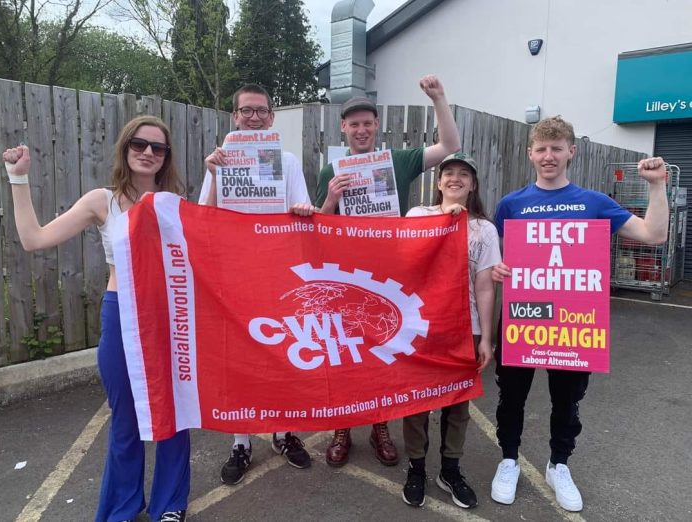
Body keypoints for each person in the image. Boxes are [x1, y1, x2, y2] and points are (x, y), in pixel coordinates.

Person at [2, 115, 191, 522]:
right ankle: (121, 508)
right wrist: (17, 179)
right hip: (121, 313)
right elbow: (34, 240)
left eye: (157, 148)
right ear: (125, 148)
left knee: (175, 413)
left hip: (168, 317)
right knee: (126, 417)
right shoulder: (101, 201)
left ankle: (171, 505)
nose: (147, 153)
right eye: (139, 144)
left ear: (166, 157)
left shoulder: (175, 205)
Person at [489, 116, 669, 512]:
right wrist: (497, 268)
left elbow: (654, 235)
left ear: (572, 151)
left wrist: (657, 187)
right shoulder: (511, 205)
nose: (548, 156)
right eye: (541, 148)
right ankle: (508, 459)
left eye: (557, 148)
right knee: (511, 397)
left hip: (573, 325)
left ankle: (559, 464)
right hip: (524, 317)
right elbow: (492, 258)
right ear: (529, 153)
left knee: (566, 401)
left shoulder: (595, 202)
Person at [315, 74, 462, 467]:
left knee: (381, 353)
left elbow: (450, 146)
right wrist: (330, 197)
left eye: (367, 123)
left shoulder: (397, 161)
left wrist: (439, 98)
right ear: (343, 128)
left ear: (376, 126)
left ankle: (380, 426)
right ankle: (342, 427)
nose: (361, 129)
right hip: (345, 278)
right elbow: (316, 229)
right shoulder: (332, 171)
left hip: (389, 279)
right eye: (354, 124)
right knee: (346, 357)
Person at [198, 83, 315, 486]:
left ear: (271, 117)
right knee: (239, 360)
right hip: (233, 278)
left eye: (260, 111)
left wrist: (302, 209)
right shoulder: (219, 160)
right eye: (246, 111)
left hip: (277, 275)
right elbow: (202, 218)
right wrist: (214, 174)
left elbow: (305, 213)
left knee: (279, 356)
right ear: (234, 117)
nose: (253, 117)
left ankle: (283, 433)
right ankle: (241, 441)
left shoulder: (287, 161)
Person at [402, 152, 500, 509]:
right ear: (439, 181)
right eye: (449, 173)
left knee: (457, 404)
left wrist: (486, 337)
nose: (455, 178)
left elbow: (485, 286)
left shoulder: (485, 228)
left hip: (466, 327)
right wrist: (445, 221)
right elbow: (406, 262)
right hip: (421, 325)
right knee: (415, 402)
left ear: (473, 184)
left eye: (464, 174)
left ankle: (450, 469)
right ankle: (415, 467)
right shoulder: (416, 216)